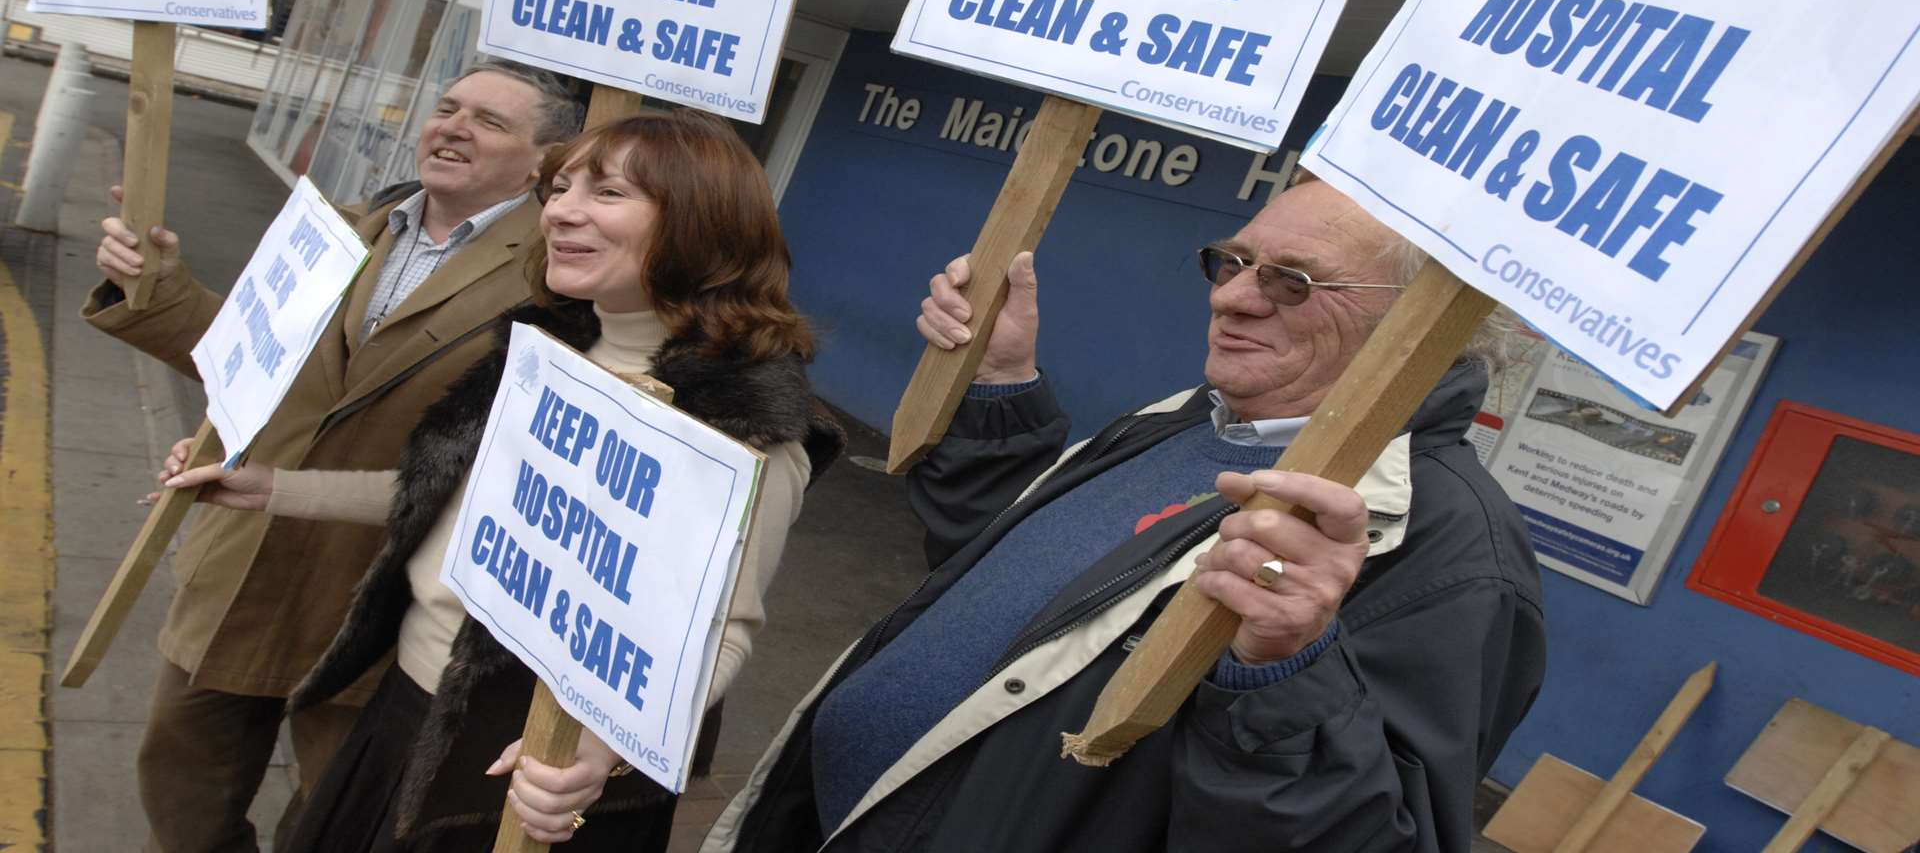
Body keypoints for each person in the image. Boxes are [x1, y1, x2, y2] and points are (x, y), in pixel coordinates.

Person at [702, 175, 1546, 852]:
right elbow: (1030, 589)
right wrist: (1001, 387)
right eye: (1235, 262)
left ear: (1426, 323)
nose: (1236, 299)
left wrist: (1286, 672)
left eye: (1293, 282)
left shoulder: (1448, 547)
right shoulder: (1185, 419)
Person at [158, 110, 845, 850]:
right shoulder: (547, 347)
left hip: (519, 762)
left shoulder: (744, 426)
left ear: (700, 225)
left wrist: (602, 749)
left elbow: (723, 636)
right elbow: (449, 496)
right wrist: (273, 489)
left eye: (608, 193)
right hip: (401, 709)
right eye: (560, 187)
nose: (560, 211)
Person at [89, 57, 582, 852]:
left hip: (376, 595)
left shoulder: (555, 280)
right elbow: (248, 360)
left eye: (489, 121)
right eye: (448, 107)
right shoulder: (346, 228)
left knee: (337, 821)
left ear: (542, 162)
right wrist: (157, 285)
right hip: (241, 561)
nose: (453, 126)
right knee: (181, 794)